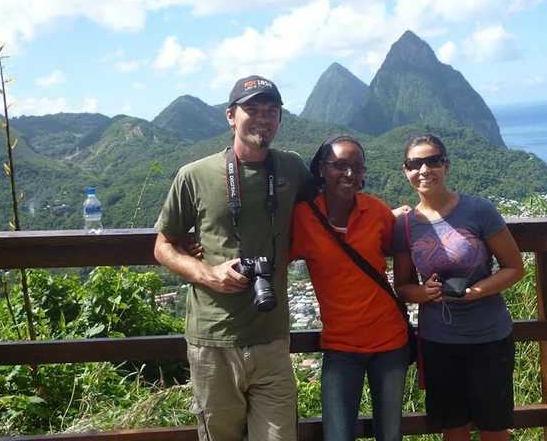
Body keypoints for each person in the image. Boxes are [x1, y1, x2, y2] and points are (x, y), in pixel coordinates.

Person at [153, 75, 311, 441]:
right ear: (230, 116)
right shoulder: (194, 175)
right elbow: (162, 245)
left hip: (271, 338)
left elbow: (335, 204)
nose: (262, 119)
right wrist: (206, 273)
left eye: (271, 111)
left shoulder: (292, 168)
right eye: (251, 110)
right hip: (213, 341)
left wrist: (393, 216)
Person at [392, 133, 525, 441]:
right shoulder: (405, 225)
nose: (425, 170)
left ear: (446, 166)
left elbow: (514, 267)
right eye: (415, 164)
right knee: (453, 429)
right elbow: (403, 286)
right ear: (406, 170)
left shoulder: (478, 210)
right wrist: (424, 293)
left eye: (433, 161)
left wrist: (477, 291)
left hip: (489, 338)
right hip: (439, 342)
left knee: (493, 428)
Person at [290, 135, 410, 441]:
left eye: (357, 167)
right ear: (321, 170)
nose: (349, 173)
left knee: (390, 433)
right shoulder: (303, 218)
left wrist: (403, 215)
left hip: (391, 341)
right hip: (341, 346)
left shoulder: (376, 210)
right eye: (340, 165)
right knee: (338, 434)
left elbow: (399, 246)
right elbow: (272, 249)